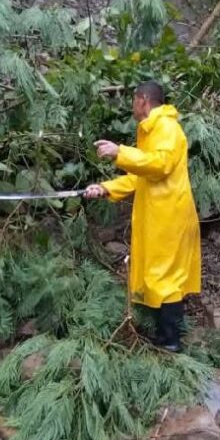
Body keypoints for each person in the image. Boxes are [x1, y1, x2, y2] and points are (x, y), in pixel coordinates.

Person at [83, 82, 201, 353]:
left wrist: (119, 152)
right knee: (156, 273)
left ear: (143, 100)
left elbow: (160, 165)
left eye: (133, 99)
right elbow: (141, 175)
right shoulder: (150, 129)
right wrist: (106, 188)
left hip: (170, 216)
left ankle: (170, 340)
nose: (131, 105)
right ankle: (163, 334)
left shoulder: (167, 128)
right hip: (157, 216)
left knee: (167, 276)